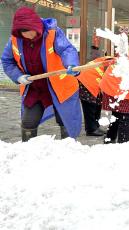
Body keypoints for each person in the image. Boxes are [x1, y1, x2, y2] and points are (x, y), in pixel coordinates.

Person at [1, 7, 81, 142]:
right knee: (28, 121)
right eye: (24, 34)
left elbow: (67, 49)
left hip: (59, 85)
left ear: (36, 26)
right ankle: (27, 151)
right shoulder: (15, 40)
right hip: (34, 87)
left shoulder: (52, 33)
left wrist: (71, 64)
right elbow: (7, 61)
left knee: (65, 119)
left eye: (30, 32)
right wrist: (18, 76)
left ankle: (69, 149)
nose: (28, 37)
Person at [77, 54, 112, 136]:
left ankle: (96, 126)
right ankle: (91, 129)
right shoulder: (114, 63)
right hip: (87, 81)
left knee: (97, 104)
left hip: (94, 79)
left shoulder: (114, 61)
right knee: (90, 106)